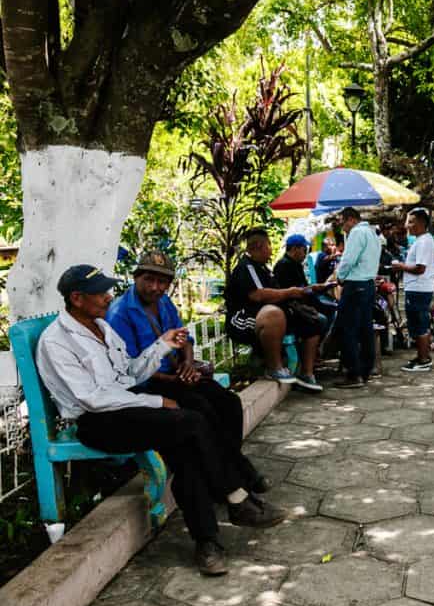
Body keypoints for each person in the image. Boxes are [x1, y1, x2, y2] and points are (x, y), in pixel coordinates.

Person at [38, 265, 287, 576]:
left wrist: (162, 345)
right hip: (95, 422)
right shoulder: (57, 342)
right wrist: (157, 401)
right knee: (191, 423)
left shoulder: (101, 326)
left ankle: (208, 542)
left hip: (124, 408)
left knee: (186, 441)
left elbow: (128, 372)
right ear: (76, 298)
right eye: (100, 292)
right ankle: (236, 497)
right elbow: (93, 398)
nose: (108, 296)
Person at [107, 249, 270, 490]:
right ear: (136, 277)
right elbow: (130, 371)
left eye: (162, 281)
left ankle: (230, 466)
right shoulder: (120, 313)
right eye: (149, 280)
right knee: (202, 408)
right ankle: (236, 473)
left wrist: (187, 363)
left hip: (176, 376)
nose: (155, 287)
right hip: (148, 384)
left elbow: (185, 338)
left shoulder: (164, 302)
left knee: (229, 403)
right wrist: (175, 378)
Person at [225, 228, 323, 391]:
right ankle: (274, 368)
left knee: (313, 322)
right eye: (269, 246)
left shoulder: (264, 268)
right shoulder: (246, 267)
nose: (271, 251)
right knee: (274, 314)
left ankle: (306, 373)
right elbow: (258, 295)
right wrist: (290, 292)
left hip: (264, 314)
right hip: (242, 318)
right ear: (258, 247)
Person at [333, 207, 382, 388]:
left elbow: (348, 259)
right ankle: (365, 370)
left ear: (351, 219)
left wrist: (340, 276)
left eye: (342, 223)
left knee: (348, 329)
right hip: (368, 284)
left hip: (355, 285)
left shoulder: (357, 233)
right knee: (365, 329)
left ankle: (353, 374)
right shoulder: (372, 233)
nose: (342, 228)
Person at [392, 207, 434, 371]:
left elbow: (420, 268)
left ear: (421, 223)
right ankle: (421, 356)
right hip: (415, 288)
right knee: (416, 324)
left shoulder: (424, 241)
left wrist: (400, 266)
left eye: (411, 222)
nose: (407, 225)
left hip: (419, 289)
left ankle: (423, 360)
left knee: (419, 324)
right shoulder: (419, 240)